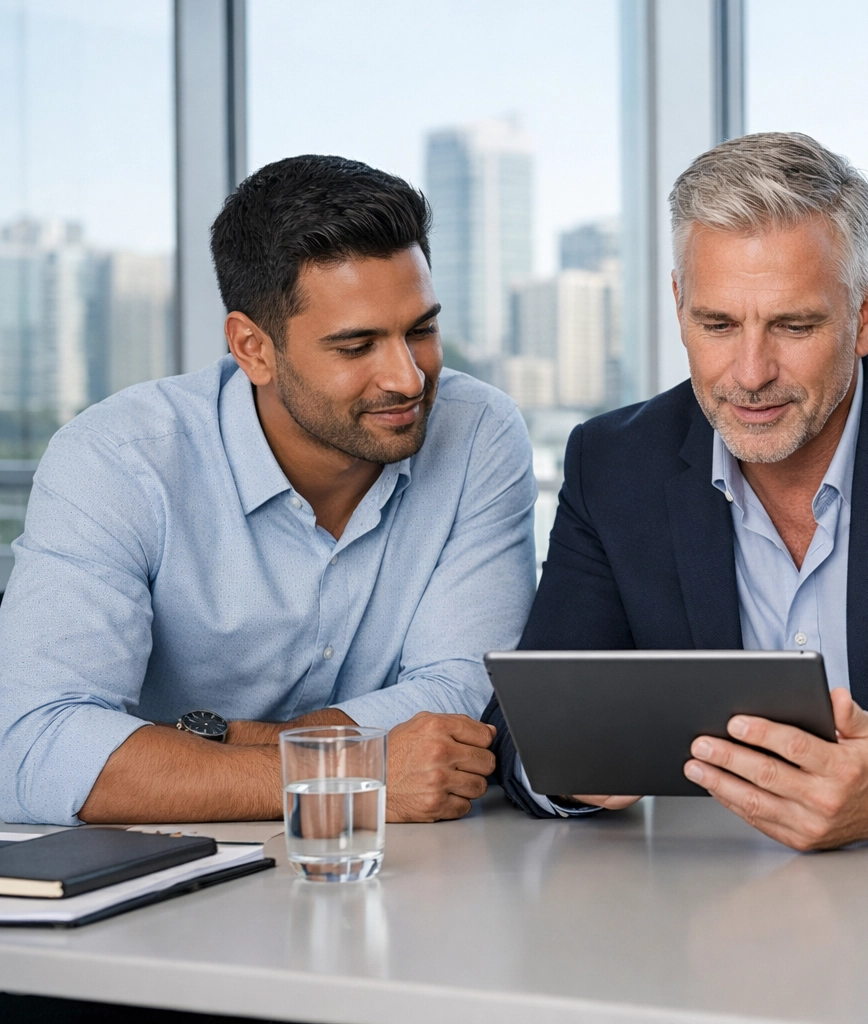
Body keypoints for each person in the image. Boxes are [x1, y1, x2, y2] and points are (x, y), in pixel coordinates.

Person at [483, 132, 868, 850]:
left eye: (794, 325)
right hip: (686, 903)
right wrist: (567, 771)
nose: (750, 373)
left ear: (865, 315)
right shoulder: (614, 462)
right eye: (716, 324)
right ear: (679, 303)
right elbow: (530, 722)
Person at [0, 155, 535, 827]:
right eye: (356, 345)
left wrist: (219, 746)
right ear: (252, 349)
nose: (406, 378)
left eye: (420, 330)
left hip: (403, 866)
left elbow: (466, 692)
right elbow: (34, 747)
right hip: (168, 872)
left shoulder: (478, 432)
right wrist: (344, 770)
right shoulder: (117, 458)